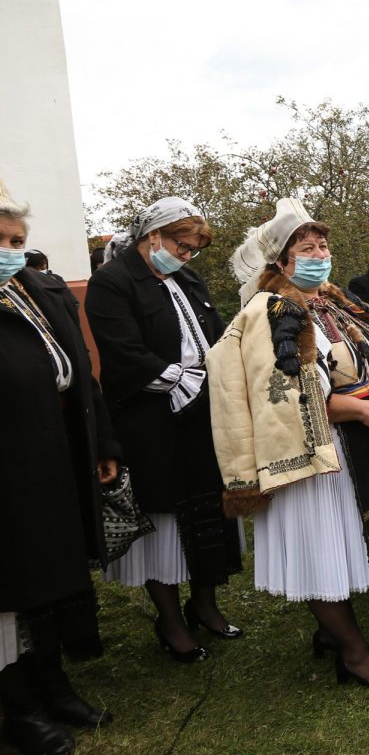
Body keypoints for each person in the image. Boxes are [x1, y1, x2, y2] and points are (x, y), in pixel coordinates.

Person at [210, 198, 369, 686]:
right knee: (322, 547)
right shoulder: (270, 311)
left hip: (354, 441)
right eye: (307, 248)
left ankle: (334, 633)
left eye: (323, 245)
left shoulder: (333, 300)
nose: (320, 254)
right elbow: (288, 395)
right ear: (280, 262)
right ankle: (353, 653)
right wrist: (359, 408)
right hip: (313, 453)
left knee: (343, 542)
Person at [85, 198, 243, 664]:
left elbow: (213, 333)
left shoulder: (186, 278)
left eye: (193, 249)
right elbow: (124, 353)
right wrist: (187, 380)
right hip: (149, 420)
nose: (186, 256)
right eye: (181, 245)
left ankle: (206, 604)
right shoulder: (111, 283)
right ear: (152, 235)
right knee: (166, 520)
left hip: (202, 414)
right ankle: (171, 620)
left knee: (208, 512)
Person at [0, 183, 119, 755]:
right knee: (10, 587)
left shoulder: (32, 290)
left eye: (16, 240)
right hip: (8, 465)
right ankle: (19, 707)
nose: (9, 249)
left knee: (50, 577)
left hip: (52, 455)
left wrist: (100, 443)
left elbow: (78, 370)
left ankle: (54, 684)